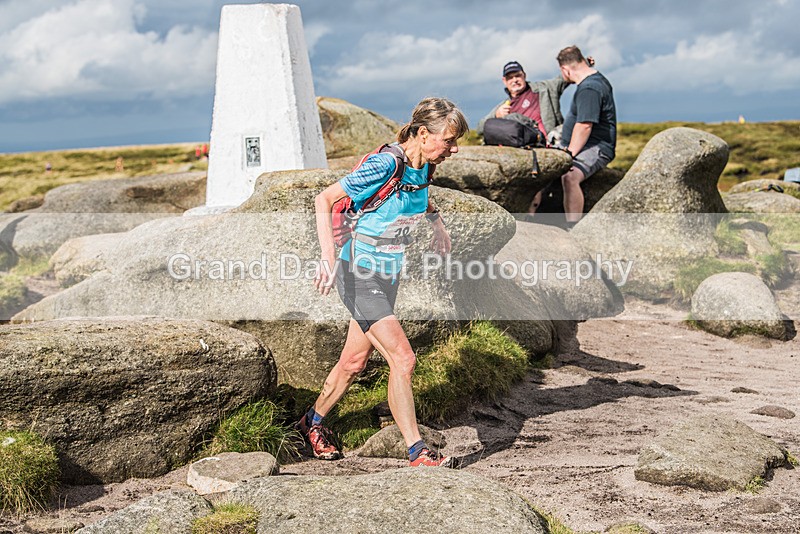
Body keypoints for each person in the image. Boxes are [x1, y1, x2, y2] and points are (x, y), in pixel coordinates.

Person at [296, 97, 469, 467]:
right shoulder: (384, 163)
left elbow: (421, 196)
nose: (454, 149)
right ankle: (417, 450)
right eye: (449, 140)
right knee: (403, 359)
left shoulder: (423, 165)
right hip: (356, 273)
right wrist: (328, 259)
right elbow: (323, 199)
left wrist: (437, 224)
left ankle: (311, 422)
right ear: (423, 134)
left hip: (387, 274)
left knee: (354, 362)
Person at [529, 45, 616, 226]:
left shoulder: (589, 89)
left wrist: (569, 154)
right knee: (539, 168)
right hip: (578, 143)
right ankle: (529, 219)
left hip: (596, 146)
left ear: (565, 69)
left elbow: (585, 126)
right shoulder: (591, 80)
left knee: (570, 176)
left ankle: (572, 227)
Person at [477, 60, 571, 143]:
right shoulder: (503, 106)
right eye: (510, 77)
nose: (515, 80)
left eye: (518, 76)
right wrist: (496, 116)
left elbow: (567, 75)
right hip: (523, 147)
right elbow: (480, 128)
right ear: (504, 81)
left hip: (550, 142)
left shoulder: (544, 88)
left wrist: (584, 61)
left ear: (524, 75)